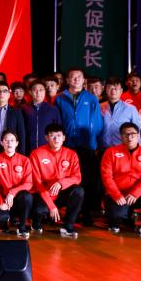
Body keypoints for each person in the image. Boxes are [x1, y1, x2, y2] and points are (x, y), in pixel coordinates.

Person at [54, 68, 102, 225]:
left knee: (87, 180)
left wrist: (92, 143)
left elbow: (97, 123)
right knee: (69, 180)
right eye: (72, 77)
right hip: (67, 146)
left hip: (86, 146)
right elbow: (58, 122)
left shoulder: (91, 99)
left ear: (83, 80)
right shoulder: (60, 98)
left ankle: (86, 212)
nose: (75, 79)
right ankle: (70, 213)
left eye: (79, 77)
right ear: (67, 80)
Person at [100, 123, 141, 238]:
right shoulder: (111, 152)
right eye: (125, 134)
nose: (129, 137)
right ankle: (120, 218)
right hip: (118, 195)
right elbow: (106, 176)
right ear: (121, 136)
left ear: (138, 135)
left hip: (138, 195)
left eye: (132, 134)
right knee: (116, 218)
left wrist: (135, 193)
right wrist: (117, 195)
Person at [30, 124, 84, 238]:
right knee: (39, 211)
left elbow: (77, 177)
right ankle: (36, 223)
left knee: (78, 191)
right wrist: (51, 205)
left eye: (59, 135)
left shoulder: (71, 154)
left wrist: (61, 183)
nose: (56, 139)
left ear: (64, 137)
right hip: (44, 193)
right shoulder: (36, 154)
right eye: (52, 136)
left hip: (62, 193)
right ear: (46, 138)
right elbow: (37, 183)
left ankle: (68, 226)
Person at [0, 131, 34, 237]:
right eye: (6, 140)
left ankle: (22, 227)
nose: (9, 143)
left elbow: (29, 183)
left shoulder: (25, 160)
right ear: (2, 143)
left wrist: (13, 192)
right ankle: (4, 223)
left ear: (17, 143)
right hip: (3, 199)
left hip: (18, 199)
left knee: (27, 196)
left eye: (12, 140)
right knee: (1, 218)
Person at [99, 77, 141, 148]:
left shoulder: (131, 109)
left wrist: (138, 148)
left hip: (123, 148)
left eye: (116, 88)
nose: (113, 91)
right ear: (105, 90)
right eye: (110, 88)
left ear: (121, 91)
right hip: (103, 148)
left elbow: (137, 130)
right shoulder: (99, 107)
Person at [20, 81, 61, 156]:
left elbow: (58, 130)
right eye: (35, 90)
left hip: (47, 149)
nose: (38, 92)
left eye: (41, 90)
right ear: (30, 92)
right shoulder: (23, 108)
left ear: (45, 91)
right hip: (28, 148)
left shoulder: (53, 109)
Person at [0, 82, 26, 155]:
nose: (1, 93)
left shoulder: (16, 111)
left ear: (9, 94)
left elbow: (21, 132)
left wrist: (22, 152)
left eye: (4, 91)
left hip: (12, 149)